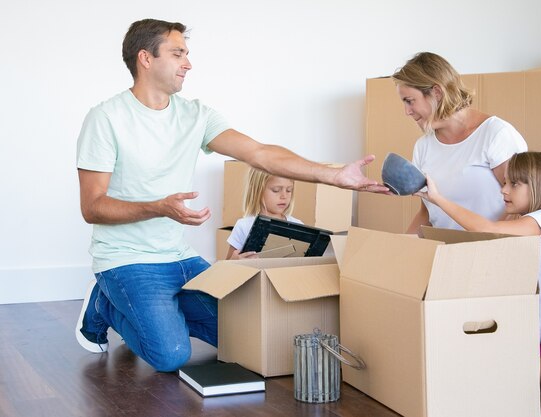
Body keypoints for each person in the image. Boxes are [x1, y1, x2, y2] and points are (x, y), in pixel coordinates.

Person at [75, 18, 386, 372]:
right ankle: (104, 304)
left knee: (243, 336)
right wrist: (157, 208)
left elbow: (261, 153)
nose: (188, 63)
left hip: (178, 256)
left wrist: (334, 175)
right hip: (127, 258)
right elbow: (93, 207)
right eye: (178, 54)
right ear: (145, 59)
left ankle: (158, 310)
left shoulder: (196, 115)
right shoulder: (106, 118)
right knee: (171, 355)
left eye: (187, 54)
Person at [417, 151, 541, 388]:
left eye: (514, 183)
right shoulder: (519, 225)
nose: (504, 189)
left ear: (540, 186)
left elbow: (485, 229)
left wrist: (437, 198)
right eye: (505, 182)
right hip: (537, 338)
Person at [391, 52, 528, 235]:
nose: (407, 111)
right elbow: (427, 213)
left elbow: (522, 207)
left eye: (410, 101)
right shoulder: (423, 146)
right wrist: (399, 249)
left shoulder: (496, 135)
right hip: (446, 254)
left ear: (436, 93)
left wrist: (486, 246)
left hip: (490, 252)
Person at [226, 168, 302, 260]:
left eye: (289, 190)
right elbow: (227, 266)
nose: (284, 196)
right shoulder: (244, 225)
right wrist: (236, 260)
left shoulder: (298, 225)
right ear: (258, 190)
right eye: (276, 190)